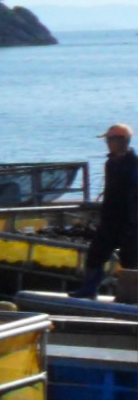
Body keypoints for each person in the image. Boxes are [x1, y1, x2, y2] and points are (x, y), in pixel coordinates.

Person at [81, 123, 138, 298]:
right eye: (107, 139)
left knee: (130, 261)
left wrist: (132, 222)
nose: (107, 142)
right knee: (95, 255)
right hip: (110, 219)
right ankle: (89, 290)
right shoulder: (111, 163)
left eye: (110, 139)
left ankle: (131, 297)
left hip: (130, 222)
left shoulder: (134, 165)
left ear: (122, 140)